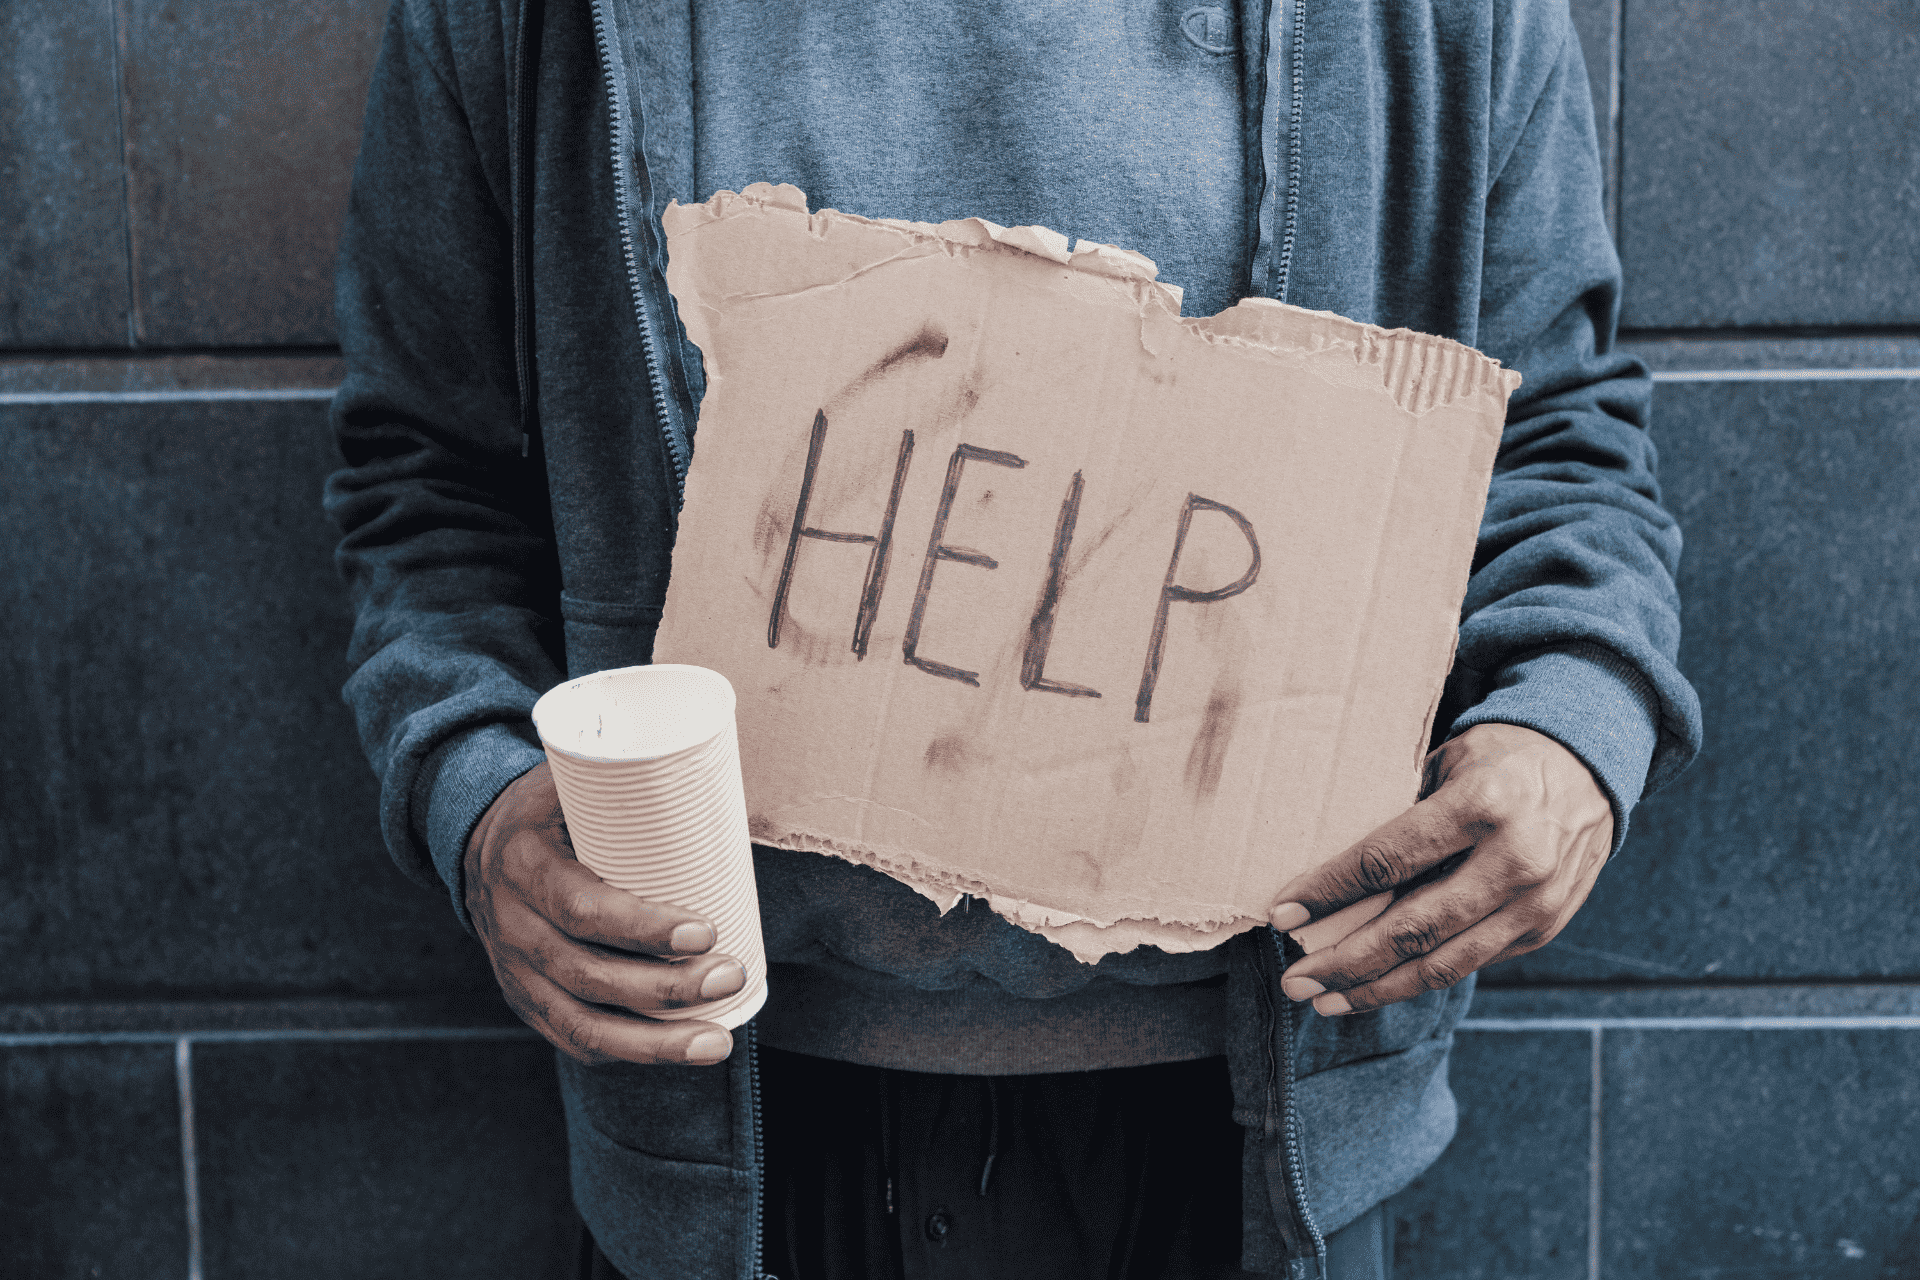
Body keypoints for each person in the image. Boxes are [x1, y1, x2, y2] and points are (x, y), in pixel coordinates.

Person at [326, 1, 1700, 1277]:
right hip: (742, 1140)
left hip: (1260, 1142)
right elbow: (430, 481)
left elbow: (1558, 444)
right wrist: (480, 800)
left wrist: (1573, 727)